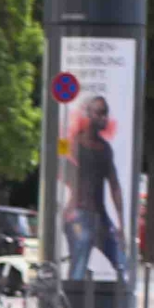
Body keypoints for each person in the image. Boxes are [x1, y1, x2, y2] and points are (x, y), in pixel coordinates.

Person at [61, 94, 126, 280]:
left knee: (122, 263)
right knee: (79, 264)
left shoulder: (105, 149)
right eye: (99, 113)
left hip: (100, 216)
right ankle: (73, 305)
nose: (104, 118)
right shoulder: (72, 143)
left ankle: (117, 306)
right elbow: (60, 169)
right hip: (78, 215)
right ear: (88, 115)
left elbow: (115, 186)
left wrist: (121, 224)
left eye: (105, 114)